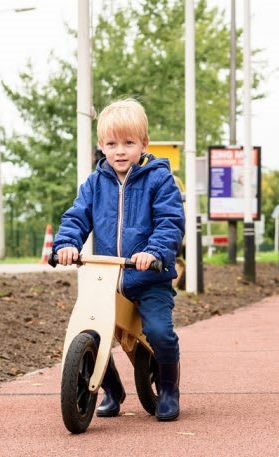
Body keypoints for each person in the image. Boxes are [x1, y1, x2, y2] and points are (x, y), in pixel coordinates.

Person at [52, 98, 186, 421]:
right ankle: (111, 389)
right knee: (89, 327)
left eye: (128, 143)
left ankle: (168, 388)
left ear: (144, 143)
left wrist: (153, 252)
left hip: (149, 277)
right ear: (101, 146)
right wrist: (67, 243)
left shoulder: (159, 180)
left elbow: (170, 221)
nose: (120, 151)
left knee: (159, 331)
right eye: (112, 144)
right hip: (108, 278)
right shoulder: (95, 184)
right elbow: (76, 217)